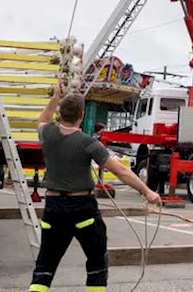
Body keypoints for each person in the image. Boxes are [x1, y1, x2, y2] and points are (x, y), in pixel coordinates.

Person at [29, 83, 161, 292]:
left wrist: (55, 97)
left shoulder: (48, 135)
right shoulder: (88, 143)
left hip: (54, 207)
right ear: (81, 115)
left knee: (45, 265)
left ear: (60, 113)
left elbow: (43, 119)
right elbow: (121, 172)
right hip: (83, 209)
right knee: (97, 263)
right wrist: (147, 191)